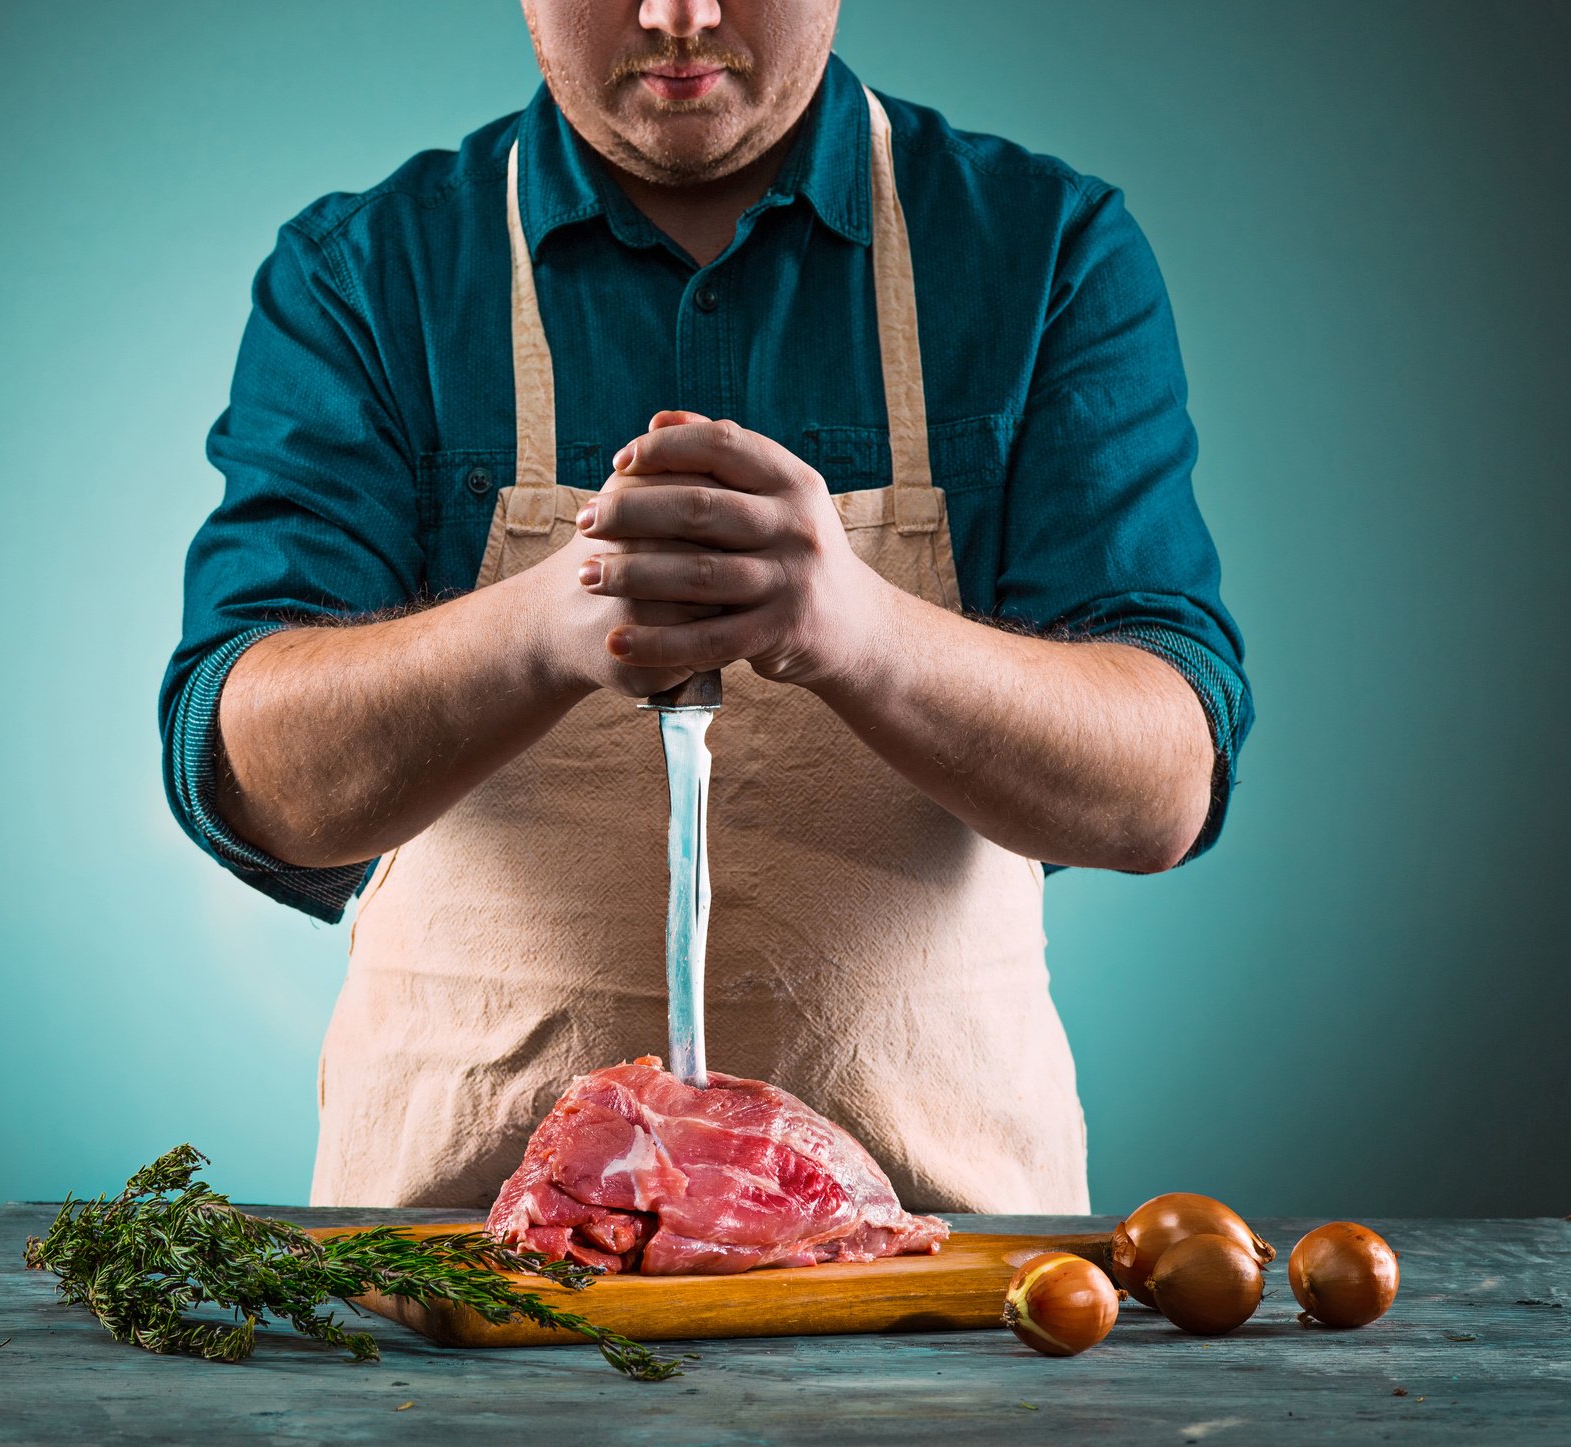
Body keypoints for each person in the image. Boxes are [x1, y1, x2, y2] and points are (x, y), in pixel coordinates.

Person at [159, 0, 1251, 1214]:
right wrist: (543, 626)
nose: (678, 13)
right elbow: (261, 787)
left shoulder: (1043, 249)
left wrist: (859, 631)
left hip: (939, 1279)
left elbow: (1160, 784)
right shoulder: (367, 272)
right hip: (456, 1269)